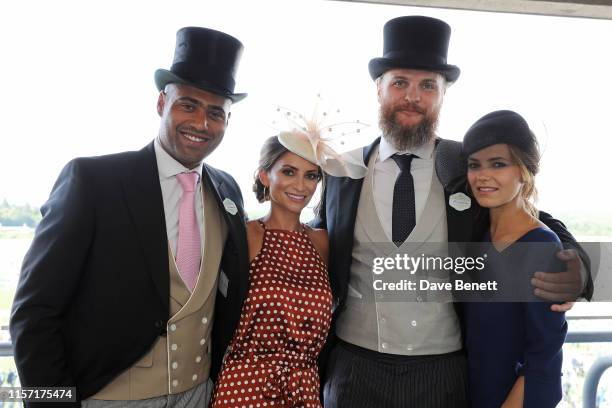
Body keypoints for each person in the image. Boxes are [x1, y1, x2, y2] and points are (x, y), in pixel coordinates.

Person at [314, 16, 593, 408]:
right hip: (353, 368)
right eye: (400, 83)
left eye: (428, 85)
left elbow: (530, 216)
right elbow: (315, 236)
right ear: (378, 88)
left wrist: (577, 266)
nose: (413, 96)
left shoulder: (464, 165)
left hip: (444, 372)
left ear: (443, 94)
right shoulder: (342, 170)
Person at [10, 27, 250, 407]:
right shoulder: (93, 182)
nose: (202, 123)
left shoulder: (227, 192)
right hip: (109, 398)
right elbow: (33, 312)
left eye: (216, 112)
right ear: (161, 103)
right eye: (188, 105)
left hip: (201, 395)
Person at [210, 123, 349, 407]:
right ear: (265, 176)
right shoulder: (246, 234)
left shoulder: (321, 241)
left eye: (311, 176)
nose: (301, 186)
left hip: (305, 390)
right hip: (244, 388)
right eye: (289, 172)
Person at [461, 110, 567, 407]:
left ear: (523, 170)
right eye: (474, 165)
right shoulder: (478, 236)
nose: (483, 176)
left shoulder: (541, 247)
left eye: (498, 164)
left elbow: (543, 360)